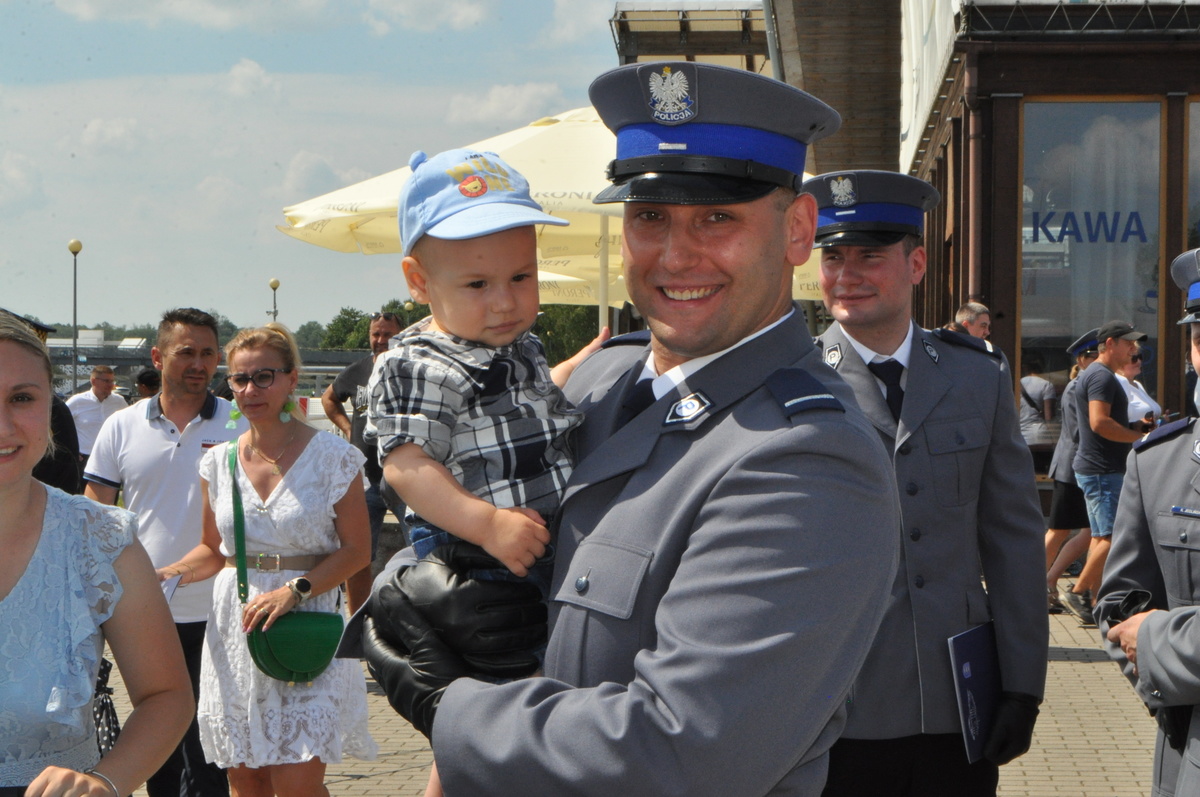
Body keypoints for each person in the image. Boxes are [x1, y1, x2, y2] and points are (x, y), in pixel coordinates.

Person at [357, 61, 902, 796]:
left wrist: (454, 708)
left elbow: (682, 751)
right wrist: (417, 586)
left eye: (718, 216)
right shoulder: (597, 382)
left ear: (799, 229)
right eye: (650, 217)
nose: (676, 255)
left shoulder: (808, 455)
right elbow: (444, 490)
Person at [806, 169, 1047, 797]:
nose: (847, 273)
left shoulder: (977, 377)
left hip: (954, 700)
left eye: (869, 255)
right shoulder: (788, 384)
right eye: (833, 256)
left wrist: (1022, 684)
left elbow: (1014, 538)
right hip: (830, 705)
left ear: (916, 264)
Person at [161, 323, 376, 796]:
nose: (250, 390)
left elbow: (358, 550)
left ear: (291, 379)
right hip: (236, 628)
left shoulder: (334, 456)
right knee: (246, 782)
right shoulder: (217, 462)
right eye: (239, 379)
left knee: (297, 783)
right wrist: (166, 574)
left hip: (306, 620)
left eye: (264, 377)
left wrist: (295, 590)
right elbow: (212, 551)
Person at [0, 312, 193, 796]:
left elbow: (166, 696)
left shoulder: (99, 539)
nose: (2, 425)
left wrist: (104, 782)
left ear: (50, 407)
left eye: (21, 398)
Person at [84, 308, 244, 797]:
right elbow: (95, 513)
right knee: (158, 743)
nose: (199, 363)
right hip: (145, 610)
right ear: (158, 357)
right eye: (186, 352)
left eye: (208, 353)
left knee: (212, 743)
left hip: (223, 605)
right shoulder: (122, 426)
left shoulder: (241, 421)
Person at [1096, 247, 1200, 796]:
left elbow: (1145, 632)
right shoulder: (1159, 460)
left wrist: (1161, 642)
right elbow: (1119, 608)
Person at [1061, 319, 1148, 625]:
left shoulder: (1100, 375)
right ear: (1110, 344)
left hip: (1099, 467)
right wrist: (1140, 437)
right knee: (1111, 537)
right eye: (1128, 343)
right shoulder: (1102, 377)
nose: (1133, 348)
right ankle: (1079, 590)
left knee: (1101, 537)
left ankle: (1097, 599)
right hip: (1102, 469)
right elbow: (1099, 422)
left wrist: (1136, 428)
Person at [321, 310, 404, 614]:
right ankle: (359, 622)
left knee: (421, 552)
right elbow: (330, 398)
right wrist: (346, 427)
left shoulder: (410, 371)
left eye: (387, 334)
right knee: (357, 557)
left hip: (404, 478)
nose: (381, 340)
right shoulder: (357, 371)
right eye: (376, 334)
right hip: (365, 478)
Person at [1044, 330, 1099, 613]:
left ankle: (1050, 581)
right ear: (1083, 359)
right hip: (1071, 467)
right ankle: (1034, 585)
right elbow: (1082, 432)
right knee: (1059, 530)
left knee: (1089, 531)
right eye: (1095, 356)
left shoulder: (1087, 384)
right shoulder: (1079, 387)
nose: (1100, 360)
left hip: (1078, 465)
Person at [66, 365, 125, 468]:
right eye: (106, 381)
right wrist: (71, 450)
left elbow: (128, 425)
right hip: (83, 459)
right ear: (93, 381)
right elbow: (59, 425)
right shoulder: (77, 401)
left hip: (110, 458)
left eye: (112, 381)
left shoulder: (119, 402)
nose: (111, 385)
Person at [1117, 349, 1161, 428]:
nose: (1139, 362)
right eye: (1133, 359)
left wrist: (1161, 419)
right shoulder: (1118, 384)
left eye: (1140, 357)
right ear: (1120, 363)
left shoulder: (1137, 384)